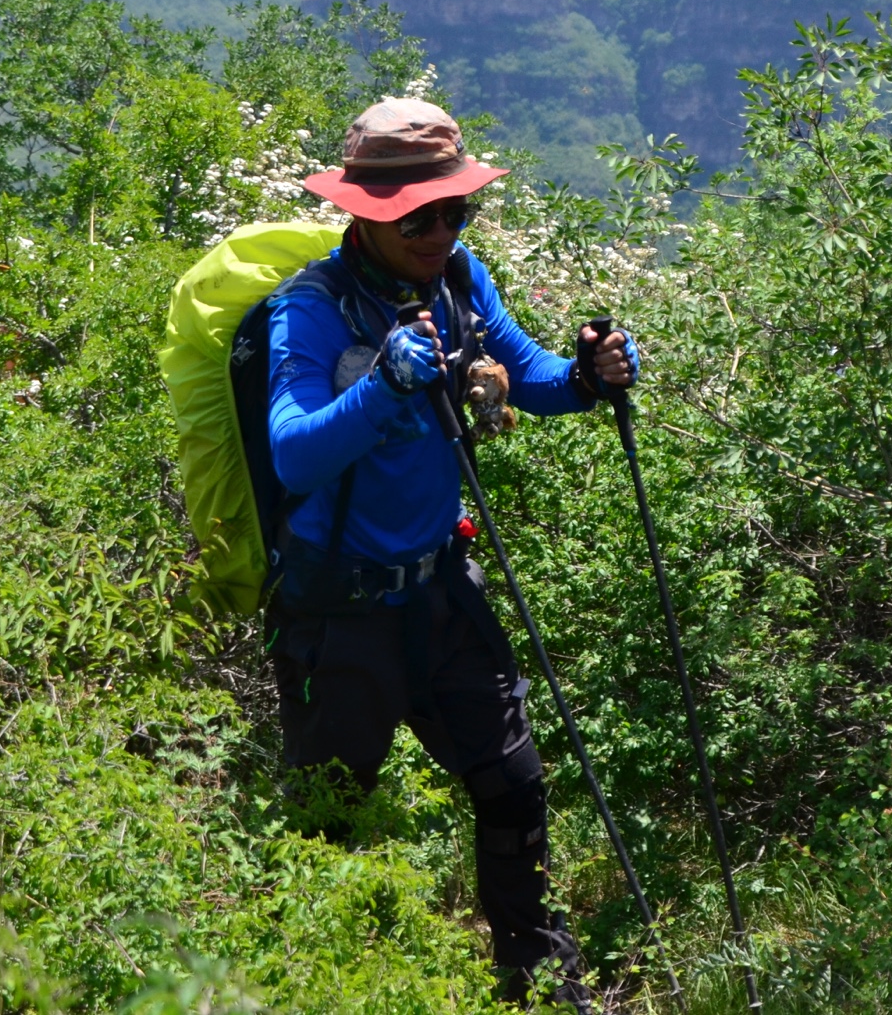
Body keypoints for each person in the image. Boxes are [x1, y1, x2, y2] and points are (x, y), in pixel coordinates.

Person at [267, 99, 637, 1011]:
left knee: (512, 790)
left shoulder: (460, 280)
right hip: (338, 612)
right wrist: (387, 384)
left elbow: (534, 377)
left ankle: (543, 984)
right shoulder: (307, 313)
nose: (439, 230)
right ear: (362, 212)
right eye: (416, 216)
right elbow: (293, 451)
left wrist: (587, 377)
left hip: (441, 590)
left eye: (453, 211)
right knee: (330, 829)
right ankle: (326, 990)